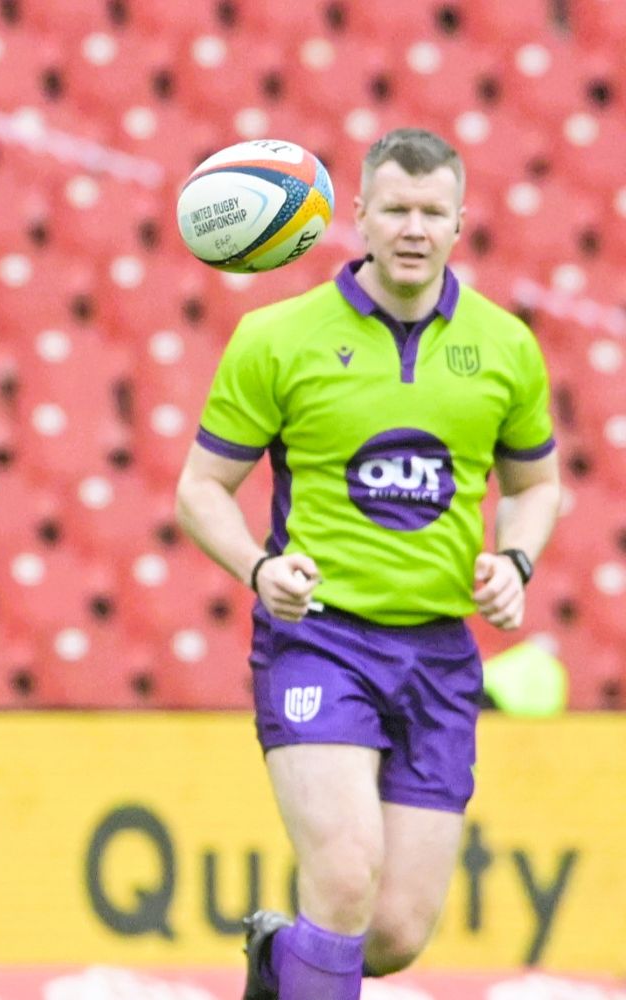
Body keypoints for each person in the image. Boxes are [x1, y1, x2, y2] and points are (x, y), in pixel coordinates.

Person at [174, 128, 562, 1000]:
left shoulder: (506, 347)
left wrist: (516, 560)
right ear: (355, 215)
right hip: (320, 641)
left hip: (439, 654)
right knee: (346, 877)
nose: (413, 228)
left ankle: (279, 962)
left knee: (392, 935)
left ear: (460, 221)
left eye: (431, 212)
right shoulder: (277, 337)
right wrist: (257, 569)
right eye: (394, 210)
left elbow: (538, 486)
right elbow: (200, 490)